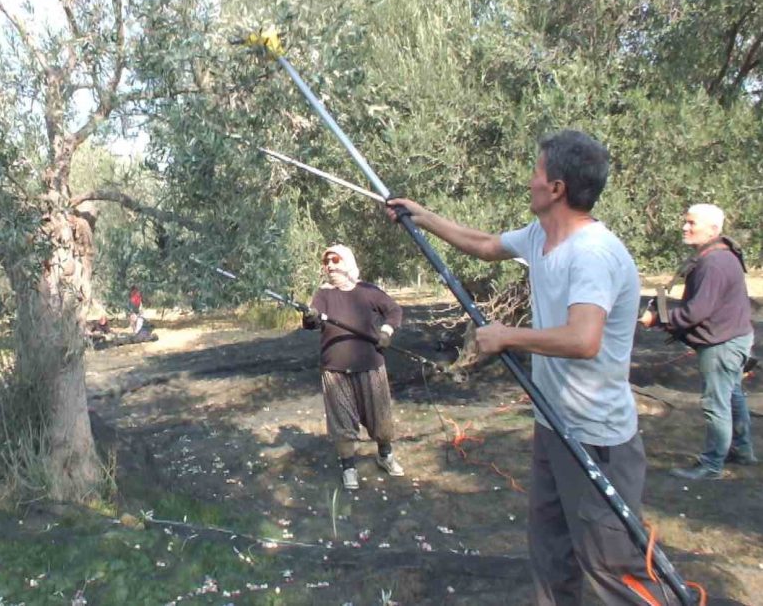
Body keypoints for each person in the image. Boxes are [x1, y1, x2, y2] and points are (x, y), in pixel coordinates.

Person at [387, 130, 675, 605]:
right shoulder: (542, 235)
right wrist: (421, 216)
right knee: (550, 555)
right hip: (553, 425)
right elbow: (482, 244)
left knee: (611, 567)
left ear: (557, 187)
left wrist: (507, 337)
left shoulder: (593, 253)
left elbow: (584, 339)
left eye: (537, 171)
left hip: (597, 438)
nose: (529, 179)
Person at [640, 204, 756, 479]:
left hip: (723, 344)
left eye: (692, 223)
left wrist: (657, 320)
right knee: (732, 395)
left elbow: (696, 312)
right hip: (733, 337)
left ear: (714, 230)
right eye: (686, 222)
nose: (685, 227)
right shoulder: (719, 256)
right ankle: (741, 450)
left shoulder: (714, 262)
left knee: (716, 403)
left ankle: (711, 465)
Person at [302, 244, 404, 490]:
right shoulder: (323, 294)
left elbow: (394, 310)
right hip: (335, 370)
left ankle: (385, 455)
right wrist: (310, 316)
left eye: (335, 260)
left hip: (370, 366)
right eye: (326, 262)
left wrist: (386, 331)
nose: (330, 266)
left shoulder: (368, 291)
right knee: (342, 422)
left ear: (347, 262)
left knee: (380, 417)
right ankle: (348, 467)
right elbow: (312, 322)